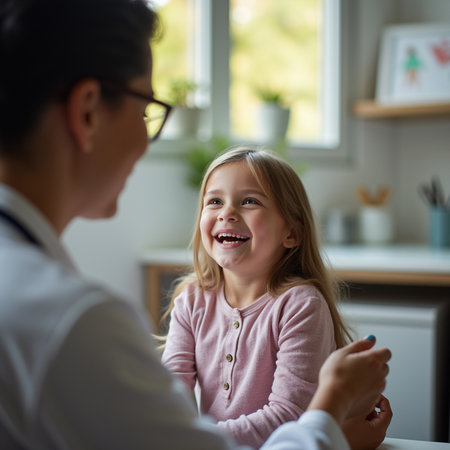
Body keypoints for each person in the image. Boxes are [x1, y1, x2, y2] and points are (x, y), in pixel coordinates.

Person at [0, 0, 391, 448]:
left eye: (249, 201)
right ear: (88, 111)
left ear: (292, 231)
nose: (147, 141)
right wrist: (330, 413)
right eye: (148, 109)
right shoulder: (76, 323)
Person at [161, 147, 392, 449]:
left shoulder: (300, 305)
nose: (227, 213)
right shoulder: (191, 300)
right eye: (214, 201)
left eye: (249, 202)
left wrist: (194, 439)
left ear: (292, 234)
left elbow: (288, 417)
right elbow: (167, 397)